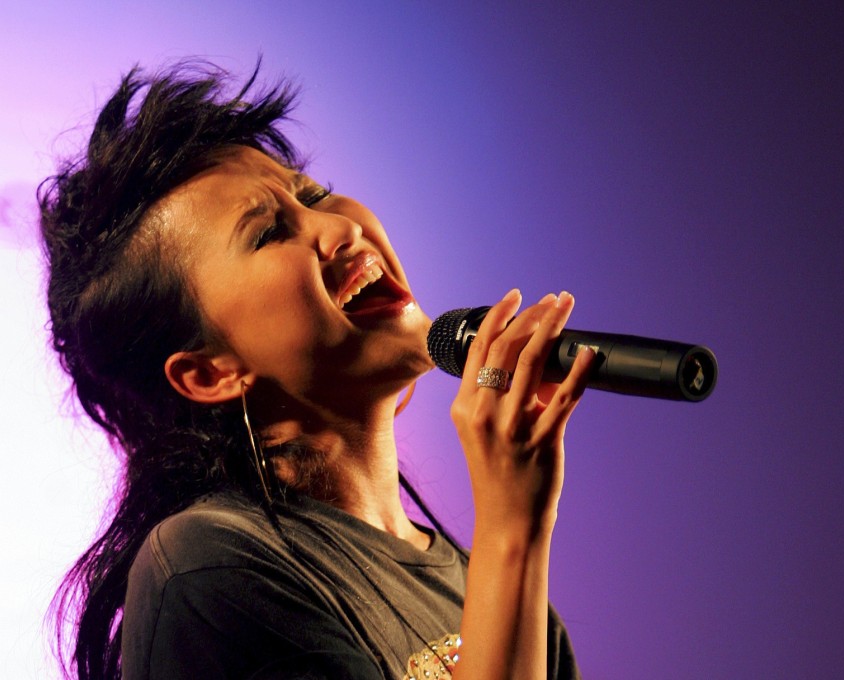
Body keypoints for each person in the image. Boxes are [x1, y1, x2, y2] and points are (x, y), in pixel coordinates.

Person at [40, 62, 595, 680]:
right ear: (208, 373)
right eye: (270, 232)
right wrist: (512, 528)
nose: (343, 227)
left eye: (312, 195)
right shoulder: (209, 569)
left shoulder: (488, 590)